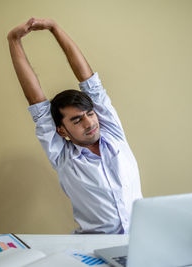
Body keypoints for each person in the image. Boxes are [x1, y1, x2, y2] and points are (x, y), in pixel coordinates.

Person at [7, 18, 142, 234]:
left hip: (140, 243)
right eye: (77, 120)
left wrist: (55, 28)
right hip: (93, 250)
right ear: (61, 130)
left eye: (90, 114)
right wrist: (13, 40)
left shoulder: (114, 134)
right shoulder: (63, 157)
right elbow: (36, 101)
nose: (89, 123)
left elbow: (90, 82)